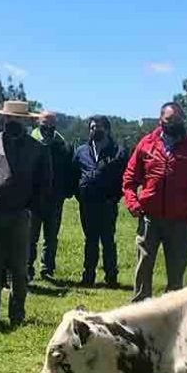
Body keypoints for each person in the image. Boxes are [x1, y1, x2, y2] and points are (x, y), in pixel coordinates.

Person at [122, 102, 187, 301]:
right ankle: (139, 312)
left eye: (178, 119)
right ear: (160, 120)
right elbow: (129, 178)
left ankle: (172, 317)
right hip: (149, 219)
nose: (174, 123)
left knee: (176, 273)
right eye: (169, 120)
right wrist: (133, 203)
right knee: (143, 269)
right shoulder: (146, 144)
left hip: (180, 221)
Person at [0, 100, 52, 330]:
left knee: (19, 269)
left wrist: (33, 208)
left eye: (17, 119)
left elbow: (45, 183)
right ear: (3, 118)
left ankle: (17, 316)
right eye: (9, 118)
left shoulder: (37, 148)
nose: (12, 122)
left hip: (19, 216)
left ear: (25, 122)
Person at [73, 115, 128, 287]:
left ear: (107, 129)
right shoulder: (81, 151)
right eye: (92, 127)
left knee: (108, 240)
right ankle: (88, 276)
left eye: (99, 127)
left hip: (107, 204)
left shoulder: (118, 151)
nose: (95, 130)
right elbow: (73, 174)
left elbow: (124, 178)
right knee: (90, 240)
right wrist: (80, 194)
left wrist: (115, 197)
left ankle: (111, 277)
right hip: (87, 205)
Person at [27, 110, 73, 280]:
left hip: (55, 199)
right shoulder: (30, 144)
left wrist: (65, 192)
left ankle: (47, 270)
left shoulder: (62, 146)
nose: (48, 129)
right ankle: (28, 268)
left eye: (51, 126)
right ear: (38, 124)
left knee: (51, 237)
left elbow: (69, 171)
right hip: (33, 200)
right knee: (30, 237)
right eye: (44, 125)